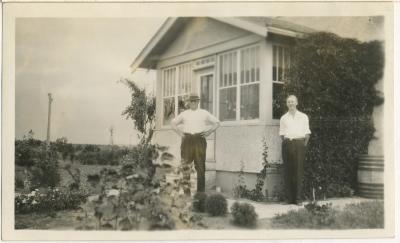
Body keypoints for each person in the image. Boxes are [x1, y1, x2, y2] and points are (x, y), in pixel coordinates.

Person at [171, 93, 220, 195]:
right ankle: (186, 194)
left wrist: (209, 132)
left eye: (195, 101)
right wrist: (180, 133)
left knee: (201, 168)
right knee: (186, 168)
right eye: (191, 101)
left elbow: (217, 123)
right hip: (187, 141)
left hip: (199, 140)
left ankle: (200, 195)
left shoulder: (204, 113)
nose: (193, 103)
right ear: (188, 102)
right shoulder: (184, 114)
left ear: (198, 102)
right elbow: (173, 123)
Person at [279, 95, 311, 205]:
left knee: (298, 171)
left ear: (297, 103)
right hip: (287, 143)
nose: (290, 104)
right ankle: (288, 199)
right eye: (288, 102)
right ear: (286, 104)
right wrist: (288, 143)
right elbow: (282, 134)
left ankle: (298, 199)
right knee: (288, 171)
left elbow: (307, 134)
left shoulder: (303, 116)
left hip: (299, 144)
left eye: (292, 102)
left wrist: (302, 145)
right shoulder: (283, 118)